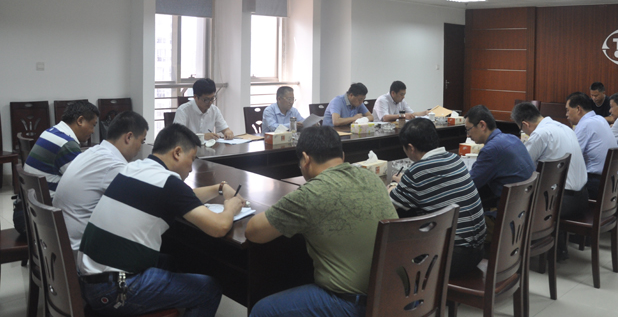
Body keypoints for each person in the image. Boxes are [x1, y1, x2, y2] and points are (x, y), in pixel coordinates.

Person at [78, 124, 245, 317]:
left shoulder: (133, 168)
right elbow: (219, 227)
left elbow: (184, 197)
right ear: (177, 153)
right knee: (209, 290)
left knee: (171, 261)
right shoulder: (168, 182)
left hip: (89, 281)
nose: (191, 169)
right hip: (115, 290)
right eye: (191, 159)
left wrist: (219, 188)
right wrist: (231, 207)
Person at [244, 126, 397, 317]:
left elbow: (253, 232)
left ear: (305, 159)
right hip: (394, 294)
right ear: (342, 155)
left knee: (262, 310)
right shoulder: (372, 178)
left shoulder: (311, 193)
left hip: (355, 304)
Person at [388, 118, 486, 277]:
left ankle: (409, 289)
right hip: (478, 251)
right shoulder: (454, 159)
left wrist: (392, 187)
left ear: (411, 148)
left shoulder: (417, 171)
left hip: (452, 258)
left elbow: (390, 205)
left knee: (394, 244)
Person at [53, 111, 149, 253]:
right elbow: (142, 203)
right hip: (80, 252)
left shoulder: (92, 152)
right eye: (142, 141)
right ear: (129, 137)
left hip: (62, 244)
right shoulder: (113, 165)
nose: (140, 147)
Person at [511, 102, 588, 260]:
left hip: (562, 203)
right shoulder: (565, 128)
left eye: (522, 129)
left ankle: (516, 252)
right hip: (582, 197)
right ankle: (558, 248)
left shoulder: (540, 134)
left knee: (512, 204)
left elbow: (523, 167)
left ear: (525, 124)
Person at [465, 105, 535, 209]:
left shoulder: (491, 150)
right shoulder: (513, 138)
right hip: (528, 208)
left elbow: (469, 184)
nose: (468, 135)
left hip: (510, 212)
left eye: (468, 129)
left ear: (482, 125)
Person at [24, 101, 99, 195]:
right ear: (80, 121)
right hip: (49, 200)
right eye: (93, 125)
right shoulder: (66, 143)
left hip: (35, 198)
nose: (93, 131)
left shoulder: (51, 131)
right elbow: (84, 181)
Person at [565, 92, 618, 198]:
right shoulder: (600, 119)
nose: (566, 114)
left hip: (595, 183)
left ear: (578, 109)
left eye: (568, 110)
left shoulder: (585, 124)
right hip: (611, 181)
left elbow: (571, 156)